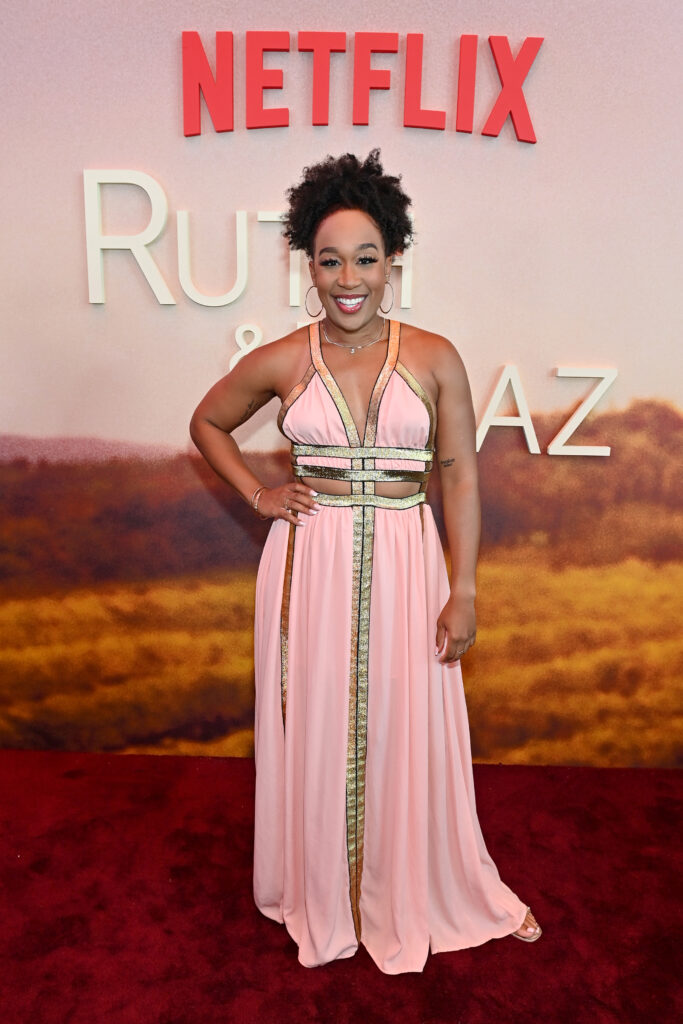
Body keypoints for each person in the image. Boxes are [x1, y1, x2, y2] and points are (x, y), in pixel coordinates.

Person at [190, 150, 541, 974]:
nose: (347, 279)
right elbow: (207, 422)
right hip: (305, 567)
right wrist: (258, 495)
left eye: (365, 258)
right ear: (307, 266)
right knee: (314, 721)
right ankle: (319, 892)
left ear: (393, 261)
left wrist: (464, 588)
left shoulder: (435, 356)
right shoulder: (283, 357)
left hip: (408, 563)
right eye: (329, 260)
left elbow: (458, 476)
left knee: (404, 722)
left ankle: (417, 889)